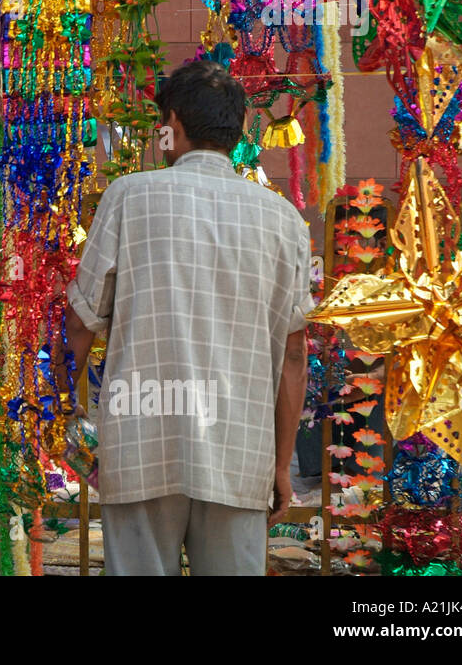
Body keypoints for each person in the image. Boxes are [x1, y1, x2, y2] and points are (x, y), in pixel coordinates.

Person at [64, 59, 312, 575]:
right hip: (239, 451)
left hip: (139, 445)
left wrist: (67, 416)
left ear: (171, 122)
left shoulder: (129, 197)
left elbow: (81, 323)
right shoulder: (283, 218)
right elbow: (293, 353)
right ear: (241, 128)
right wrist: (282, 464)